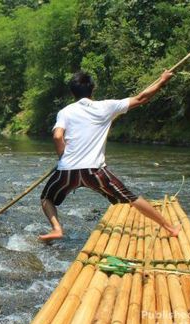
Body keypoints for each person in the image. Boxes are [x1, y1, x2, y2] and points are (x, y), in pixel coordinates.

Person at [39, 70, 180, 241]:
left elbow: (57, 136)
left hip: (67, 170)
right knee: (130, 197)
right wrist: (162, 80)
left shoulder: (65, 112)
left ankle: (56, 229)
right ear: (93, 89)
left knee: (47, 199)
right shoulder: (106, 106)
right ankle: (170, 228)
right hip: (94, 171)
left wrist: (62, 155)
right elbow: (141, 98)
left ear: (72, 92)